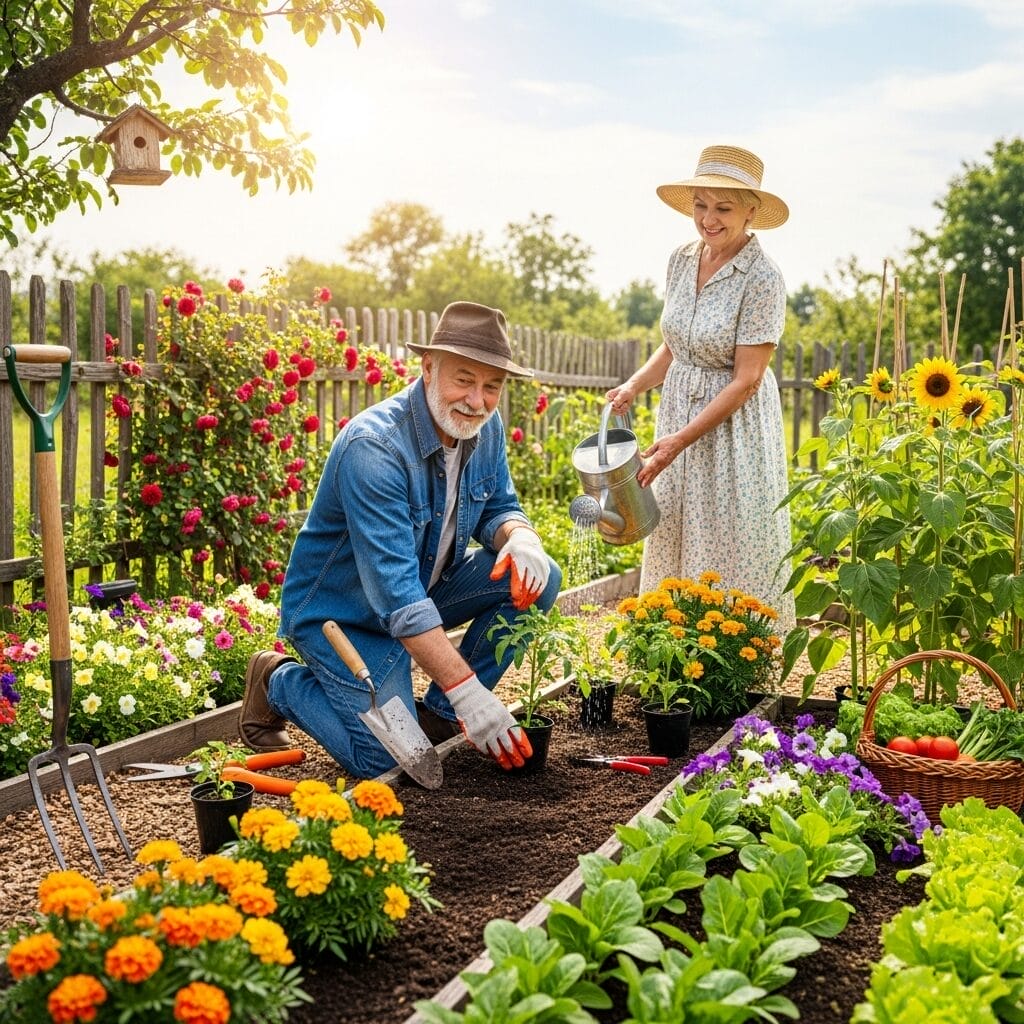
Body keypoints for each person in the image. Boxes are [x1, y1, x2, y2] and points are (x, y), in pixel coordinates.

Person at [240, 301, 562, 778]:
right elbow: (396, 597)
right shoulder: (374, 448)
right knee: (391, 763)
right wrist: (469, 689)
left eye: (491, 386)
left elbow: (497, 506)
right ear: (428, 367)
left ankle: (438, 712)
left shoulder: (483, 426)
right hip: (345, 618)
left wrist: (520, 536)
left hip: (421, 592)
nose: (476, 399)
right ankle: (278, 681)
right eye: (463, 379)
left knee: (541, 576)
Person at [606, 144, 795, 633]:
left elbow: (747, 378)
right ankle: (674, 640)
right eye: (701, 205)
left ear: (752, 211)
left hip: (730, 424)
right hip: (678, 417)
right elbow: (676, 344)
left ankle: (736, 647)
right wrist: (634, 384)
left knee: (728, 532)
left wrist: (680, 440)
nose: (708, 219)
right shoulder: (681, 260)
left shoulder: (762, 278)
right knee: (674, 524)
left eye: (724, 208)